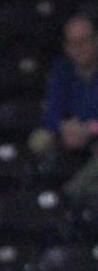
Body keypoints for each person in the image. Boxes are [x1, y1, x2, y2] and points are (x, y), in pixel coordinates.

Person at [33, 12, 98, 205]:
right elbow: (51, 111)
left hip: (94, 130)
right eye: (72, 43)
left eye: (84, 41)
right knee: (38, 140)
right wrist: (64, 127)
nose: (79, 49)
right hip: (72, 130)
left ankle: (69, 194)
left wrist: (90, 128)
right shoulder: (62, 68)